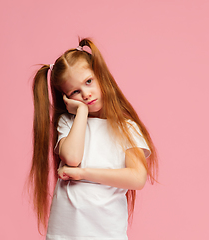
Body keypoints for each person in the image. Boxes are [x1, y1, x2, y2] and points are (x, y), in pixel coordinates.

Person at [28, 38, 158, 240]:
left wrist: (82, 173)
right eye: (75, 92)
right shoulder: (68, 123)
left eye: (89, 82)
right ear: (66, 97)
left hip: (106, 230)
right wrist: (80, 112)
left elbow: (137, 178)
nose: (86, 94)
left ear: (101, 76)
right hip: (65, 229)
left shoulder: (127, 128)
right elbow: (71, 157)